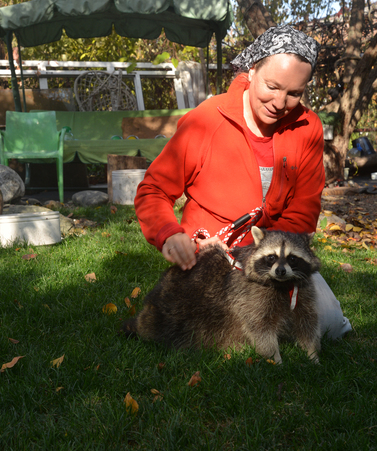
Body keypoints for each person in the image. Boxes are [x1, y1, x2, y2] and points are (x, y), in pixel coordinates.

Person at [134, 25, 351, 340]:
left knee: (327, 325)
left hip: (272, 257)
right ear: (252, 70)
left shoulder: (308, 127)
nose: (279, 102)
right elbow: (153, 190)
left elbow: (304, 212)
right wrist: (170, 235)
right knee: (218, 327)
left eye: (294, 93)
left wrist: (262, 256)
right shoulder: (206, 119)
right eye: (272, 86)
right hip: (211, 260)